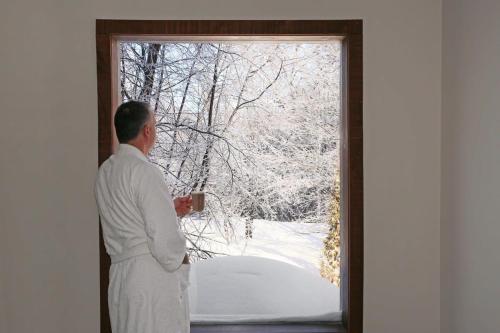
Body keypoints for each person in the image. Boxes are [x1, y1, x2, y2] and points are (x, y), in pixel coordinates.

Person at [95, 100, 193, 333]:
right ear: (147, 130)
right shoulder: (144, 171)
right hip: (150, 281)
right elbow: (165, 242)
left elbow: (128, 216)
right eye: (155, 126)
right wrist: (182, 261)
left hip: (121, 279)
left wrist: (169, 208)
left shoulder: (105, 171)